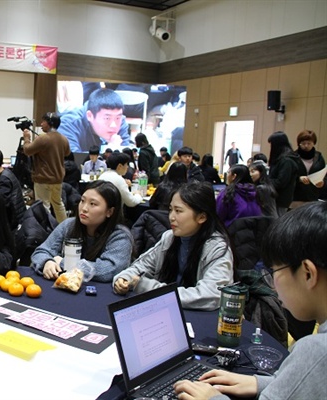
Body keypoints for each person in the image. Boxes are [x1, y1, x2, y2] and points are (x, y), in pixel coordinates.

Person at [174, 201, 327, 400]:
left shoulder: (316, 351)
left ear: (307, 274)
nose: (272, 284)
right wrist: (260, 382)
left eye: (275, 271)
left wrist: (212, 398)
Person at [113, 182, 233, 310]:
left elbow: (210, 295)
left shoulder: (217, 248)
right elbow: (139, 266)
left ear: (202, 217)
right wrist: (123, 278)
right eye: (170, 210)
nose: (171, 217)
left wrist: (147, 287)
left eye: (178, 211)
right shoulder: (169, 238)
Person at [31, 180, 133, 283]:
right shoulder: (69, 225)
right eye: (82, 201)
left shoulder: (120, 236)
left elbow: (109, 270)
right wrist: (47, 262)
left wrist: (63, 263)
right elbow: (41, 251)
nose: (84, 208)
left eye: (92, 204)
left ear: (109, 211)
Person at [22, 112, 70, 223]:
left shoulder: (44, 138)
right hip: (58, 179)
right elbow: (67, 153)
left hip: (43, 179)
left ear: (50, 123)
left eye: (43, 121)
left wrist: (26, 138)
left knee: (43, 206)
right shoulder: (64, 139)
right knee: (58, 204)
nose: (41, 124)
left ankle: (46, 231)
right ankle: (64, 228)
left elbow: (27, 150)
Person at [57, 88, 131, 153]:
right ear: (90, 116)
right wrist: (107, 151)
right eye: (107, 118)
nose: (113, 125)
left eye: (118, 118)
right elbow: (71, 160)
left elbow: (127, 157)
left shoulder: (121, 122)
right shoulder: (68, 125)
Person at [267, 131, 299, 215]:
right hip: (277, 198)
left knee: (277, 222)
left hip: (280, 199)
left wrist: (265, 181)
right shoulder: (282, 159)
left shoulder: (286, 161)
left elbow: (280, 182)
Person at [292, 129, 325, 206]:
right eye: (303, 143)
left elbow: (324, 175)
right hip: (295, 197)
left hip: (313, 197)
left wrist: (323, 183)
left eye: (309, 143)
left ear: (314, 143)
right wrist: (299, 179)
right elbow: (288, 176)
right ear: (299, 144)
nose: (306, 146)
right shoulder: (293, 157)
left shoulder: (319, 157)